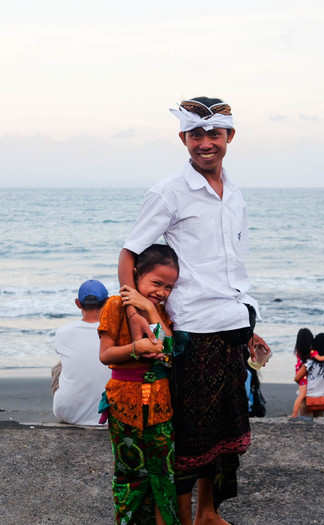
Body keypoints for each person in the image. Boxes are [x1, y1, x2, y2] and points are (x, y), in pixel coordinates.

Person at [118, 96, 270, 525]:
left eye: (214, 134)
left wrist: (250, 319)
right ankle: (183, 518)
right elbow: (130, 254)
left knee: (227, 429)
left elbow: (232, 262)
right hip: (193, 328)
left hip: (235, 321)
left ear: (230, 137)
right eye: (197, 135)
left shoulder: (234, 192)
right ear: (183, 137)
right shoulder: (168, 192)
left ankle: (208, 512)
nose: (206, 143)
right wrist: (138, 316)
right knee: (189, 433)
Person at [98, 244, 181, 525]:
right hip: (124, 405)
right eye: (156, 283)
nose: (162, 292)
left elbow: (170, 351)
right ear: (136, 275)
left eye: (168, 287)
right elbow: (105, 354)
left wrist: (149, 308)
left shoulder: (162, 312)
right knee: (129, 472)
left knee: (164, 472)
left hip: (161, 407)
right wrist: (135, 348)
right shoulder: (114, 306)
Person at [51, 279, 110, 426]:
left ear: (78, 303)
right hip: (110, 416)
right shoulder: (116, 332)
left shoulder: (62, 332)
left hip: (68, 413)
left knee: (59, 367)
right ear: (108, 302)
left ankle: (71, 403)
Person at [303, 333, 324, 417]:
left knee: (305, 422)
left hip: (308, 396)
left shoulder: (310, 362)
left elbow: (301, 378)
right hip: (322, 397)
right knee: (319, 423)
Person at [290, 328, 313, 419]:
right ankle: (294, 414)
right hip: (303, 374)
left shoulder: (299, 351)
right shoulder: (310, 353)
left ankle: (300, 414)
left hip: (300, 372)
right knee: (302, 394)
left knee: (303, 394)